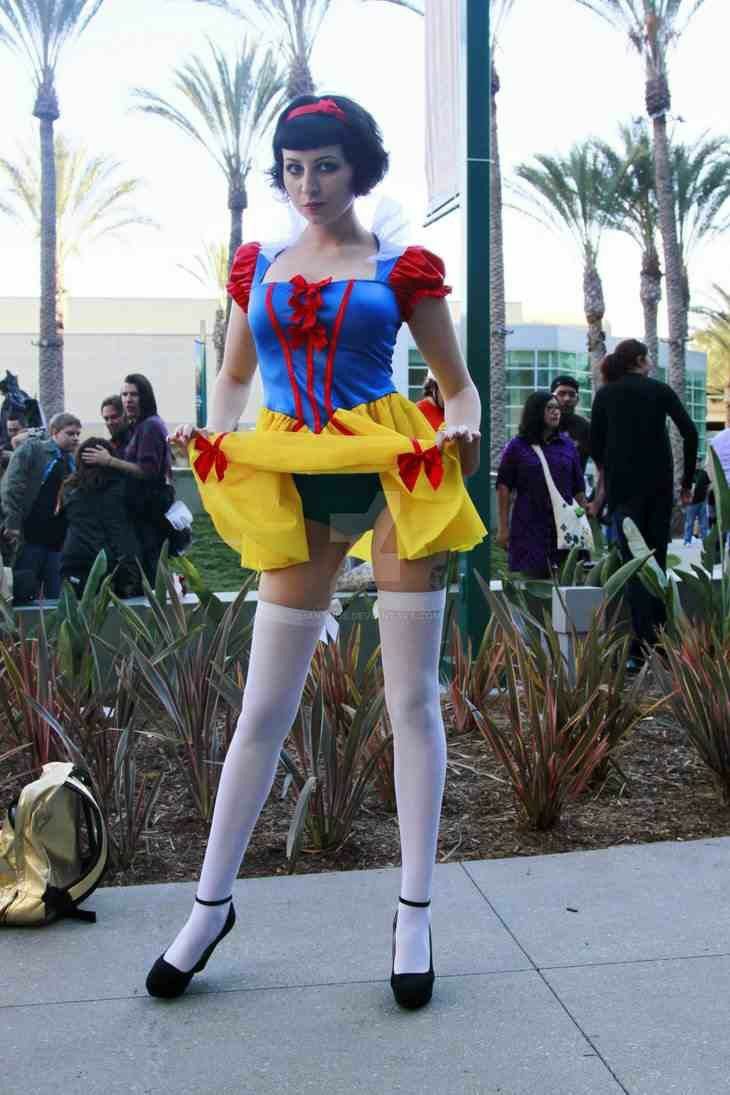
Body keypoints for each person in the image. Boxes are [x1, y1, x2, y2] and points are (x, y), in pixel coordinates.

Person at [145, 93, 485, 1010]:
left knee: (409, 698)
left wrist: (458, 433)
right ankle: (209, 905)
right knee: (263, 706)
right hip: (293, 470)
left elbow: (459, 391)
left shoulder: (399, 267)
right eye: (294, 168)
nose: (309, 184)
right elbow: (232, 375)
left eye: (326, 165)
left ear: (358, 167)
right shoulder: (255, 266)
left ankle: (413, 911)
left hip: (390, 469)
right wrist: (218, 439)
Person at [589, 338, 697, 661]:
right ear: (640, 360)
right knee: (657, 560)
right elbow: (689, 432)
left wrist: (610, 467)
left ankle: (641, 645)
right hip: (659, 490)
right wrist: (686, 482)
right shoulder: (659, 390)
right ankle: (660, 642)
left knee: (634, 563)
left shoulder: (606, 395)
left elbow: (596, 446)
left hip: (623, 493)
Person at [83, 374, 173, 582]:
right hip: (136, 511)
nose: (128, 399)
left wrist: (108, 461)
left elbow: (148, 471)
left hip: (150, 512)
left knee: (152, 570)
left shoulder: (150, 425)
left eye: (134, 394)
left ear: (145, 396)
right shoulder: (137, 426)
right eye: (124, 394)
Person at [495, 391, 587, 578]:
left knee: (568, 586)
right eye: (550, 408)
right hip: (529, 528)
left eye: (557, 408)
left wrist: (582, 523)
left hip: (564, 527)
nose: (556, 413)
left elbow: (578, 489)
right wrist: (503, 528)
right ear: (536, 412)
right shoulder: (517, 446)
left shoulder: (567, 446)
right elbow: (503, 486)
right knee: (535, 588)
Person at [0, 412, 81, 598]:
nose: (75, 438)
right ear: (54, 432)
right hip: (29, 537)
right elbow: (12, 485)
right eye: (70, 433)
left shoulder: (71, 461)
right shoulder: (34, 450)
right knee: (24, 595)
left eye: (78, 433)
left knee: (55, 599)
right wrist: (12, 523)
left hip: (56, 542)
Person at [60, 437, 143, 598]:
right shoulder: (121, 488)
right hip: (111, 560)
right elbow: (120, 531)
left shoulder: (69, 488)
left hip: (74, 558)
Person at [550, 375, 591, 472]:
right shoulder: (540, 425)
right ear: (552, 397)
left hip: (574, 486)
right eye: (562, 393)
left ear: (577, 400)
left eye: (572, 394)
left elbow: (601, 463)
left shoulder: (585, 427)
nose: (567, 398)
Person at [683, 469, 709, 545]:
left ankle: (705, 541)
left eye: (699, 460)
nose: (697, 462)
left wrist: (706, 496)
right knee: (689, 522)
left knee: (704, 522)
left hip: (702, 501)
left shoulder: (704, 473)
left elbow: (708, 485)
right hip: (691, 503)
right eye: (696, 460)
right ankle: (687, 540)